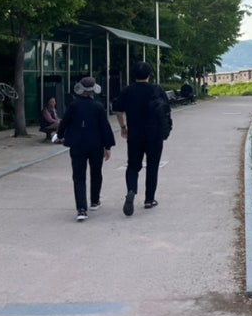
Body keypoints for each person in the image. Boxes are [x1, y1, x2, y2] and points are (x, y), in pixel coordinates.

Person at [112, 61, 171, 216]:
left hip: (135, 135)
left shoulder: (127, 91)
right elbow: (166, 109)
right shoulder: (156, 90)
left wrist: (123, 127)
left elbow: (118, 110)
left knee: (132, 166)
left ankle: (131, 190)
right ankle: (149, 200)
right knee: (152, 166)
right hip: (155, 135)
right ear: (149, 74)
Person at [56, 77, 115, 222]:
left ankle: (81, 209)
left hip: (77, 145)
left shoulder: (73, 106)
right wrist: (107, 146)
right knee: (96, 172)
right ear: (94, 90)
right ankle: (95, 201)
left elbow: (64, 123)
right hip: (96, 145)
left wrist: (60, 135)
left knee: (78, 176)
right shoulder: (98, 106)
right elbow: (104, 127)